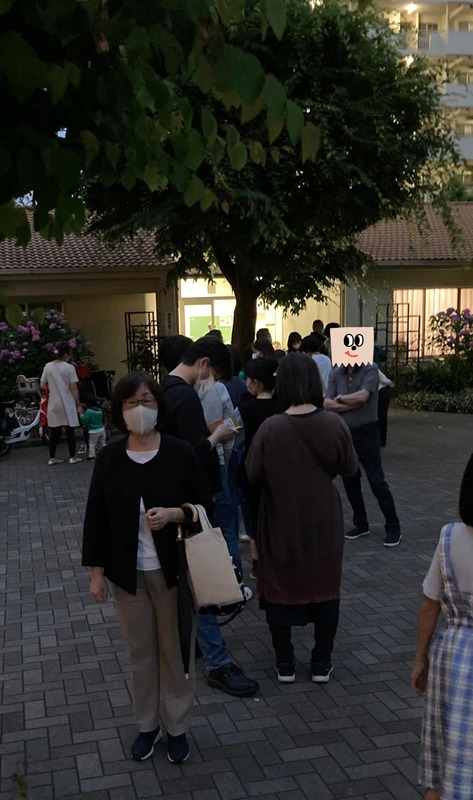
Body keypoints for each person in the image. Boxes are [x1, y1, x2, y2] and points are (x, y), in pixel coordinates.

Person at [82, 372, 209, 764]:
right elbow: (96, 518)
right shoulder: (110, 458)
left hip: (172, 572)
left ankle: (177, 727)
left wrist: (175, 513)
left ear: (159, 405)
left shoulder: (179, 452)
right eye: (132, 402)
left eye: (147, 401)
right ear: (120, 410)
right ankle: (147, 725)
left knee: (175, 652)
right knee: (139, 654)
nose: (140, 409)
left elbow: (205, 505)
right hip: (127, 575)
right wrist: (96, 574)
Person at [245, 354, 358, 684]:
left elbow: (252, 473)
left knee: (279, 587)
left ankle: (285, 663)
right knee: (325, 586)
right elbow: (350, 467)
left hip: (279, 517)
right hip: (324, 518)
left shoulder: (271, 427)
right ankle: (321, 662)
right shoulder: (334, 424)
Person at [161, 336, 259, 698]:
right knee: (203, 580)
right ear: (203, 363)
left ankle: (201, 648)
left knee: (188, 582)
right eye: (214, 373)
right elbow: (192, 455)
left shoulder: (164, 389)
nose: (213, 381)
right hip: (192, 505)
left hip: (175, 503)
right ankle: (218, 663)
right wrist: (217, 435)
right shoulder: (184, 396)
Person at [411, 455, 473, 800]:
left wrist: (421, 659)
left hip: (452, 656)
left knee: (441, 758)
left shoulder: (450, 536)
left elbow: (429, 603)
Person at [324, 361, 401, 547]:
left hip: (367, 432)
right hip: (345, 433)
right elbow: (326, 403)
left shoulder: (370, 368)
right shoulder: (336, 373)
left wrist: (339, 399)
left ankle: (393, 527)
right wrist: (350, 403)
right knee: (350, 479)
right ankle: (361, 523)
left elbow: (362, 397)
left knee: (377, 481)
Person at [239, 356, 279, 579]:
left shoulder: (245, 408)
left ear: (257, 382)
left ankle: (257, 564)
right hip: (278, 469)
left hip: (252, 469)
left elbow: (233, 431)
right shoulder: (283, 406)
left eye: (248, 379)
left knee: (255, 516)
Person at [40, 343, 82, 465]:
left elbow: (42, 384)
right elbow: (74, 387)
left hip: (54, 403)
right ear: (65, 355)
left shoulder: (48, 366)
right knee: (70, 431)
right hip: (67, 402)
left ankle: (52, 458)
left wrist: (52, 388)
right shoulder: (70, 368)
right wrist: (78, 404)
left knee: (55, 432)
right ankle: (72, 457)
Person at [79, 394, 106, 461]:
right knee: (102, 443)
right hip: (102, 429)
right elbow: (102, 418)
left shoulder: (88, 411)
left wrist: (81, 414)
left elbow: (84, 420)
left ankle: (92, 456)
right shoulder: (99, 409)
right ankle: (104, 454)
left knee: (92, 444)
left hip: (93, 430)